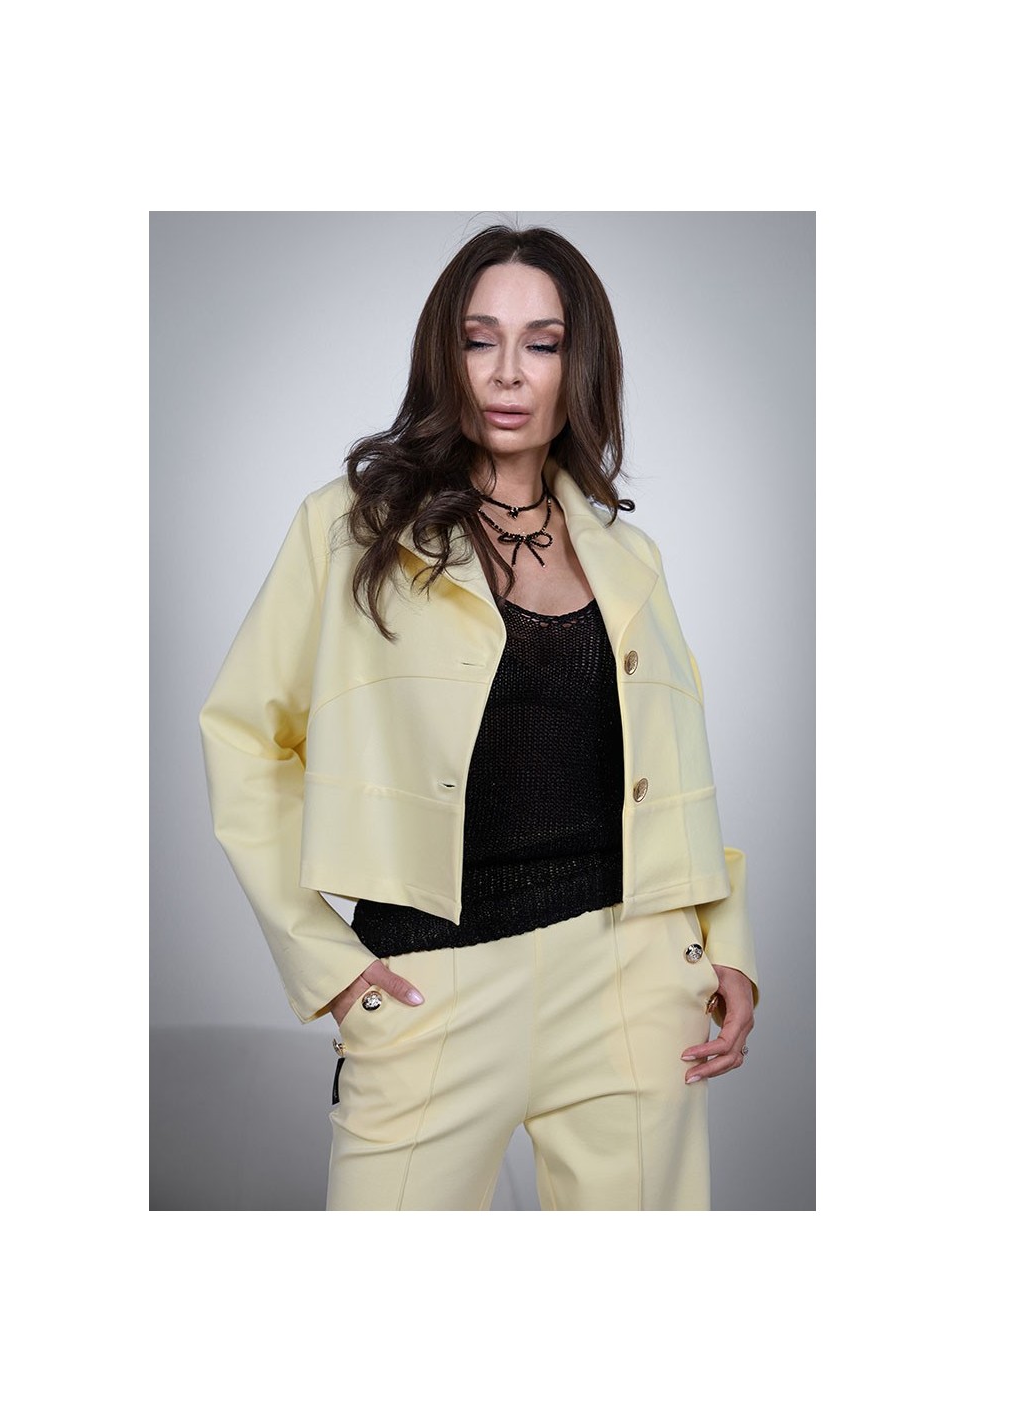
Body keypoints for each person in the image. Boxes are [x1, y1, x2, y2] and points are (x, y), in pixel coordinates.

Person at [199, 224, 758, 1211]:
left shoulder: (630, 558)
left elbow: (674, 767)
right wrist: (328, 966)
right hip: (432, 984)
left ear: (579, 366)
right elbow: (244, 736)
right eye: (477, 339)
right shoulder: (350, 528)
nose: (506, 372)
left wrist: (725, 945)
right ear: (443, 356)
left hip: (629, 975)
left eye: (541, 343)